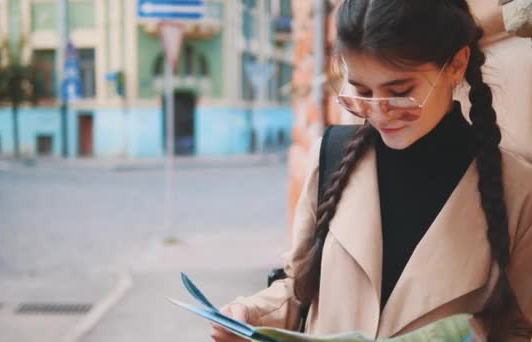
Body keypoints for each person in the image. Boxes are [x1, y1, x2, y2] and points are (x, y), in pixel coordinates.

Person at [211, 0, 532, 341]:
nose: (379, 114)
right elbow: (299, 288)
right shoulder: (331, 155)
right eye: (361, 93)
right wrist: (249, 315)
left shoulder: (518, 189)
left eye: (400, 93)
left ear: (456, 64)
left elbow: (521, 327)